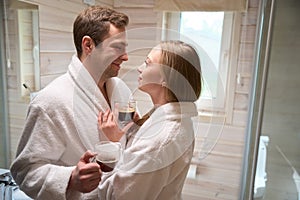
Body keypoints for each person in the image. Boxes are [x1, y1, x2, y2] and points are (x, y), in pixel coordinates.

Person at [10, 6, 131, 200]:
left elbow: (130, 136)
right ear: (88, 45)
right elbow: (24, 171)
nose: (125, 56)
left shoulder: (121, 90)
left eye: (125, 48)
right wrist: (70, 179)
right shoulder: (51, 101)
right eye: (117, 47)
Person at [97, 40, 202, 199]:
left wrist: (112, 145)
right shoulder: (172, 122)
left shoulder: (159, 141)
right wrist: (134, 133)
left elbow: (116, 195)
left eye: (147, 63)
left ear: (165, 79)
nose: (139, 68)